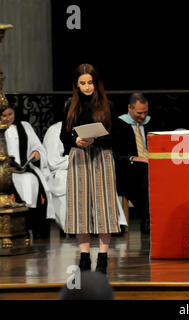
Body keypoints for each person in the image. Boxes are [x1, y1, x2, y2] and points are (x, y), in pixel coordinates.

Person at [60, 63, 122, 274]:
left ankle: (103, 257)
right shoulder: (71, 104)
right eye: (82, 83)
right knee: (80, 207)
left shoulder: (107, 105)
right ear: (76, 85)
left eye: (90, 83)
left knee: (104, 206)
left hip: (101, 157)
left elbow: (116, 137)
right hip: (79, 157)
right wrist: (75, 140)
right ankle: (84, 257)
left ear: (96, 83)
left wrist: (96, 138)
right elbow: (63, 136)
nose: (87, 87)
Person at [44, 120, 128, 233]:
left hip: (91, 163)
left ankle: (109, 224)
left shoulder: (91, 127)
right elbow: (53, 161)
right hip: (67, 167)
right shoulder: (55, 129)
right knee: (71, 181)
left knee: (101, 179)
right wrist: (79, 161)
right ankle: (79, 226)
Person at [1, 106, 55, 239]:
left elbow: (38, 147)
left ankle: (32, 225)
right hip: (4, 172)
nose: (8, 118)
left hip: (25, 168)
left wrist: (36, 154)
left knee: (31, 181)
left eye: (10, 114)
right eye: (4, 115)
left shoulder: (24, 126)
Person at [112, 93, 153, 234]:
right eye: (139, 113)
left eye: (146, 112)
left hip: (151, 165)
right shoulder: (118, 124)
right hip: (127, 170)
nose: (143, 116)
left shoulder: (151, 122)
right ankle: (147, 220)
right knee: (144, 173)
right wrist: (134, 158)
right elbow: (115, 154)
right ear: (129, 108)